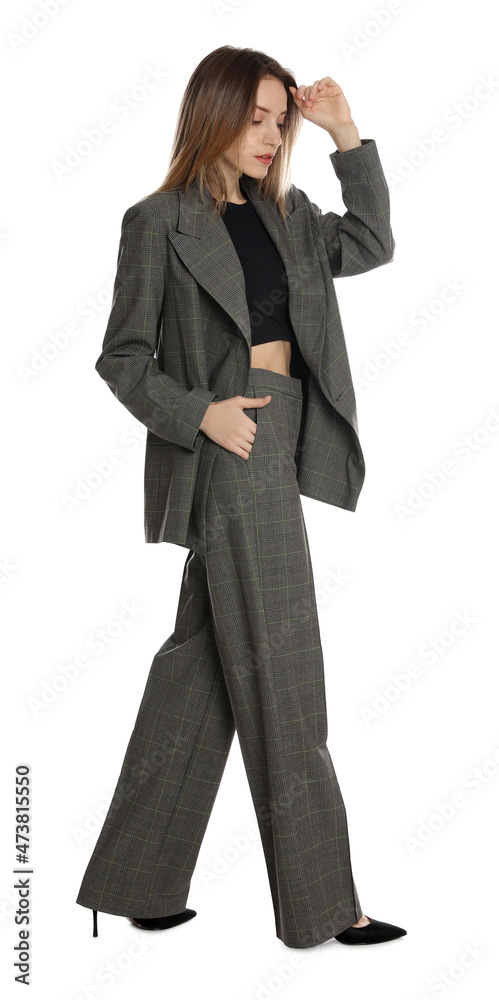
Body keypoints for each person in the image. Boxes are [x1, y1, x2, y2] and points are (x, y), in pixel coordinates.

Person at [76, 45, 407, 950]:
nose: (268, 136)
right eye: (253, 118)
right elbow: (121, 358)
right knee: (282, 664)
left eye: (278, 120)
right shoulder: (158, 222)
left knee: (204, 663)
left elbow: (371, 244)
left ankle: (136, 881)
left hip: (286, 432)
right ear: (212, 114)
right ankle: (325, 908)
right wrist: (200, 414)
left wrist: (344, 133)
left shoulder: (288, 216)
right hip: (234, 438)